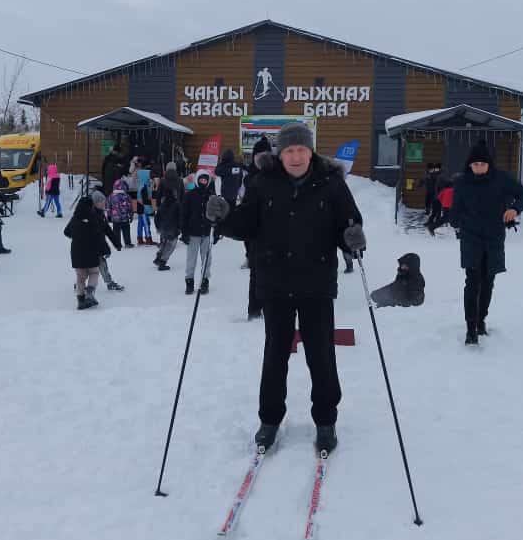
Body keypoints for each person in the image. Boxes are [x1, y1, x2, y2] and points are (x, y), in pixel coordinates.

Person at [208, 122, 365, 454]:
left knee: (321, 356)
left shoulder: (332, 183)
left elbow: (349, 222)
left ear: (311, 151)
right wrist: (224, 217)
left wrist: (352, 238)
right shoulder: (263, 182)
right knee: (275, 356)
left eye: (301, 150)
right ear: (280, 154)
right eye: (289, 151)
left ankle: (326, 421)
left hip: (316, 284)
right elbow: (245, 224)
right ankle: (269, 419)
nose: (295, 157)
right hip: (275, 283)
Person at [448, 140, 523, 345]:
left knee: (488, 281)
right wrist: (457, 222)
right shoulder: (462, 182)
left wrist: (514, 209)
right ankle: (470, 328)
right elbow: (455, 210)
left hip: (494, 237)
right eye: (475, 164)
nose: (478, 168)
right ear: (470, 165)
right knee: (472, 281)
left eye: (482, 164)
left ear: (489, 164)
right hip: (471, 237)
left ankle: (481, 320)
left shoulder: (501, 179)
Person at [64, 194, 113, 309]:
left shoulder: (74, 219)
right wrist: (105, 249)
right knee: (94, 273)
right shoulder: (93, 220)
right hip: (91, 252)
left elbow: (66, 232)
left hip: (77, 253)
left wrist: (76, 236)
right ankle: (90, 293)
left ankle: (80, 300)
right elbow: (99, 237)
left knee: (80, 277)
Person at [181, 169, 215, 295]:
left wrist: (216, 231)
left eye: (205, 180)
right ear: (197, 180)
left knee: (206, 259)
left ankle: (205, 281)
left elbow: (216, 215)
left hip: (206, 232)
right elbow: (184, 214)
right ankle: (189, 281)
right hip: (193, 233)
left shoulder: (211, 196)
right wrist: (184, 232)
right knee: (191, 259)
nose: (203, 182)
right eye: (201, 180)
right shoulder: (190, 195)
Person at [90, 190, 124, 290]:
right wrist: (105, 248)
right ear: (96, 203)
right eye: (102, 202)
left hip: (97, 246)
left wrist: (117, 243)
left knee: (100, 264)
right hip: (90, 246)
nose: (104, 203)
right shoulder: (92, 215)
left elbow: (107, 230)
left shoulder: (100, 214)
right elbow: (96, 235)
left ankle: (109, 282)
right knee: (90, 266)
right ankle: (80, 283)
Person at [153, 183, 182, 271]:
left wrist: (158, 227)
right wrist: (180, 227)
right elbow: (180, 217)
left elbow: (157, 217)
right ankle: (162, 262)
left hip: (163, 228)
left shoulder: (162, 204)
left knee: (164, 243)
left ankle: (158, 257)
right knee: (170, 246)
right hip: (173, 228)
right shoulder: (177, 204)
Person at [109, 178, 134, 248]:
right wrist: (131, 215)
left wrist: (109, 215)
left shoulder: (111, 196)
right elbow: (130, 207)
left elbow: (108, 207)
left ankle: (117, 244)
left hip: (115, 218)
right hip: (125, 218)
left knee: (116, 231)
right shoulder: (127, 196)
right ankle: (127, 243)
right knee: (126, 231)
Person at [135, 160, 154, 245]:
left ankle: (139, 238)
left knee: (140, 223)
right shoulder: (144, 187)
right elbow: (146, 200)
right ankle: (148, 238)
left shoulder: (141, 185)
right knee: (146, 223)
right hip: (144, 209)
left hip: (140, 208)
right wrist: (151, 206)